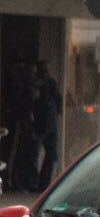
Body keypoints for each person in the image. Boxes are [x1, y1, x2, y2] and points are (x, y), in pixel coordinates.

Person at [31, 60, 60, 191]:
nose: (45, 73)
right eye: (43, 70)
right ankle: (35, 183)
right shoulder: (36, 84)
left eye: (47, 70)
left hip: (50, 122)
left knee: (51, 155)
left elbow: (58, 99)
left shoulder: (51, 83)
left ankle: (44, 183)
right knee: (33, 155)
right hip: (39, 122)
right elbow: (33, 100)